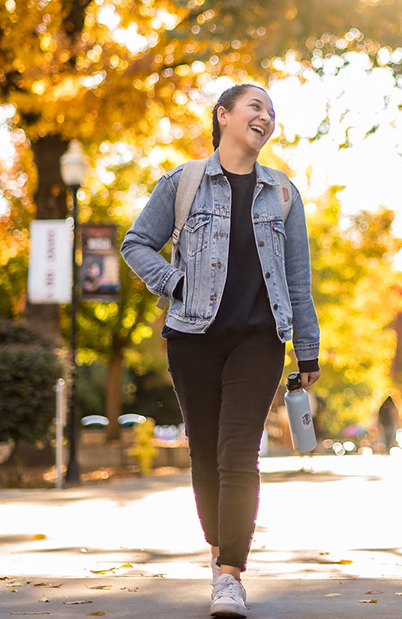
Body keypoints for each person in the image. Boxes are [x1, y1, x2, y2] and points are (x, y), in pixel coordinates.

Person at [121, 84, 320, 619]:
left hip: (259, 339)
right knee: (205, 453)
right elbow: (136, 242)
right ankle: (217, 556)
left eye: (272, 111)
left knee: (238, 452)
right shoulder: (183, 182)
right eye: (256, 106)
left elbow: (298, 281)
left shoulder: (283, 194)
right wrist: (174, 283)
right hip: (192, 338)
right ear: (224, 116)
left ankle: (231, 574)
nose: (266, 116)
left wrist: (307, 353)